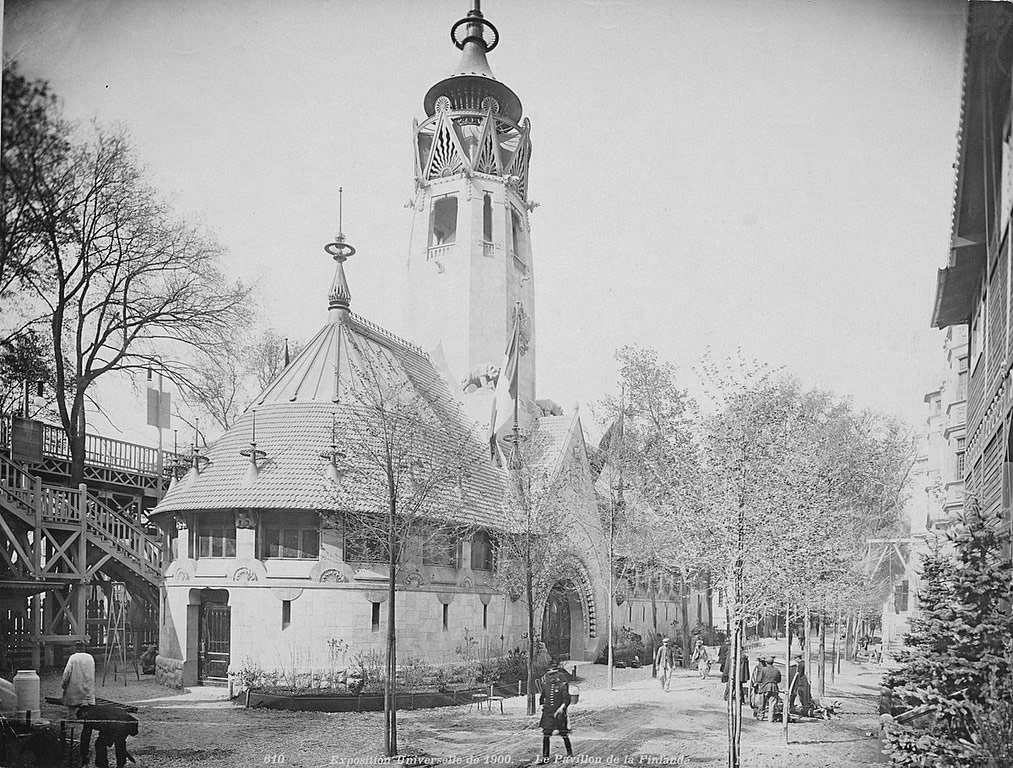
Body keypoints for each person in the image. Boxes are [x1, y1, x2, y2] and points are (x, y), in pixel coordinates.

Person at [77, 703, 139, 768]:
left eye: (82, 719)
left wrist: (84, 754)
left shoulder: (89, 716)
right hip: (127, 723)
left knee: (100, 744)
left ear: (84, 713)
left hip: (116, 725)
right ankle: (121, 764)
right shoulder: (97, 709)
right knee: (119, 743)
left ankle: (102, 765)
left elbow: (85, 738)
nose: (83, 722)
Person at [537, 658, 573, 764]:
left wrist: (562, 708)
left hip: (559, 713)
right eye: (550, 673)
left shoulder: (562, 683)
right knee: (546, 734)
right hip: (548, 712)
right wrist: (542, 705)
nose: (552, 676)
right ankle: (545, 757)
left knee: (563, 733)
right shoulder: (545, 682)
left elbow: (567, 699)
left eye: (554, 673)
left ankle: (569, 753)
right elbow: (543, 697)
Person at [62, 640, 96, 718]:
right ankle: (87, 717)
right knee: (88, 702)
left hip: (75, 685)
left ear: (75, 648)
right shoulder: (90, 657)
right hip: (88, 685)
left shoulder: (73, 658)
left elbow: (67, 672)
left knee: (72, 704)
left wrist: (64, 682)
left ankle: (72, 717)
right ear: (84, 648)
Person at [755, 655, 782, 722]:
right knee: (772, 704)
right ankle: (771, 718)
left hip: (764, 688)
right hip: (774, 688)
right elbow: (779, 680)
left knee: (762, 703)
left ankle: (760, 716)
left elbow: (759, 680)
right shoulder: (777, 670)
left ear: (766, 663)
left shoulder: (764, 669)